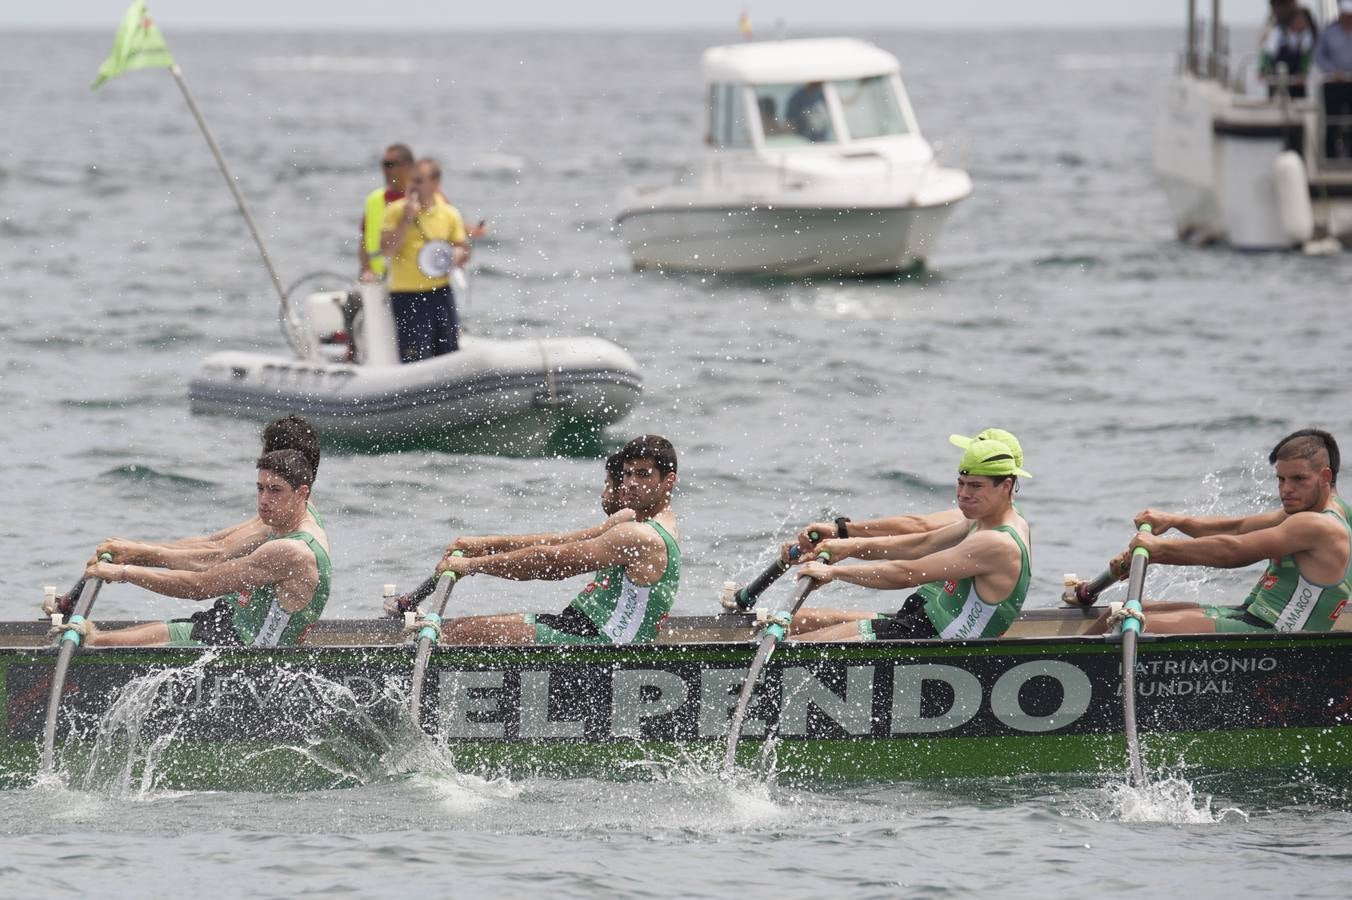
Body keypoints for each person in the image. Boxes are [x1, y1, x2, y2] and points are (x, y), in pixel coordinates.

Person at [1091, 432, 1352, 635]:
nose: (1286, 489)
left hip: (1276, 638)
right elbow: (1237, 528)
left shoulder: (1317, 526)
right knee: (1117, 614)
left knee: (1121, 626)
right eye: (1281, 479)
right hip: (1251, 617)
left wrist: (1159, 549)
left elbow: (1233, 551)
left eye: (1298, 479)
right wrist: (1174, 520)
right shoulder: (1325, 511)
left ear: (1324, 476)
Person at [433, 435, 680, 645]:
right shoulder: (628, 517)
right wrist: (484, 545)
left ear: (668, 481)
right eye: (627, 474)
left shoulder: (643, 536)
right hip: (578, 624)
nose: (632, 483)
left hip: (604, 646)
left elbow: (553, 562)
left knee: (465, 635)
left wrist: (471, 566)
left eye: (643, 474)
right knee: (458, 628)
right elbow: (558, 542)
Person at [788, 437, 1032, 642]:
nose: (963, 494)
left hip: (935, 641)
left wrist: (834, 573)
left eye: (975, 486)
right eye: (961, 483)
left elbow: (909, 573)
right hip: (921, 621)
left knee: (796, 647)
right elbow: (920, 544)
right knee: (797, 623)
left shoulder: (997, 542)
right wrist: (846, 545)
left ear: (1006, 486)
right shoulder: (983, 519)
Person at [80, 450, 332, 647]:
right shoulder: (286, 518)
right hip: (229, 627)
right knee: (98, 641)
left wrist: (123, 573)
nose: (264, 500)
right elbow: (213, 552)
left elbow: (199, 586)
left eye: (275, 490)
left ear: (302, 493)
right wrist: (137, 555)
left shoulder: (293, 551)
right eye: (260, 488)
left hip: (248, 655)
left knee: (108, 646)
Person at [85, 415, 322, 575]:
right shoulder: (285, 508)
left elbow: (215, 558)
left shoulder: (288, 522)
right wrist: (133, 547)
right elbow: (213, 542)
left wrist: (134, 558)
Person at [786, 428, 1027, 554]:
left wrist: (843, 539)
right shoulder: (982, 517)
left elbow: (917, 538)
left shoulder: (997, 529)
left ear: (1005, 481)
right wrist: (840, 535)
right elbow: (920, 532)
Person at [380, 158, 472, 362]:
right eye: (411, 181)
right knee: (415, 356)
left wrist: (457, 255)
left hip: (440, 293)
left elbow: (463, 249)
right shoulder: (396, 211)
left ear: (435, 183)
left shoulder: (449, 213)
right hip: (406, 295)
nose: (413, 187)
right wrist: (406, 220)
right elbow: (386, 250)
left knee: (448, 353)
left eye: (419, 181)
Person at [359, 143, 415, 282]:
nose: (385, 170)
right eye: (383, 164)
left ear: (407, 166)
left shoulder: (423, 198)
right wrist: (366, 269)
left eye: (390, 164)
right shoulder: (374, 199)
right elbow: (364, 241)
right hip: (377, 279)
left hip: (411, 281)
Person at [1315, 1, 1352, 158]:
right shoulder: (1329, 32)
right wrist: (1332, 70)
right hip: (1333, 84)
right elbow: (1319, 57)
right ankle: (1330, 156)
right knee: (1332, 121)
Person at [1261, 0, 1317, 98]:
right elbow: (1267, 52)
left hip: (1296, 79)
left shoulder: (1305, 36)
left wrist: (1303, 72)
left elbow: (1305, 56)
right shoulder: (1278, 32)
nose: (1300, 22)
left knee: (1299, 99)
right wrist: (1262, 69)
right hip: (1276, 76)